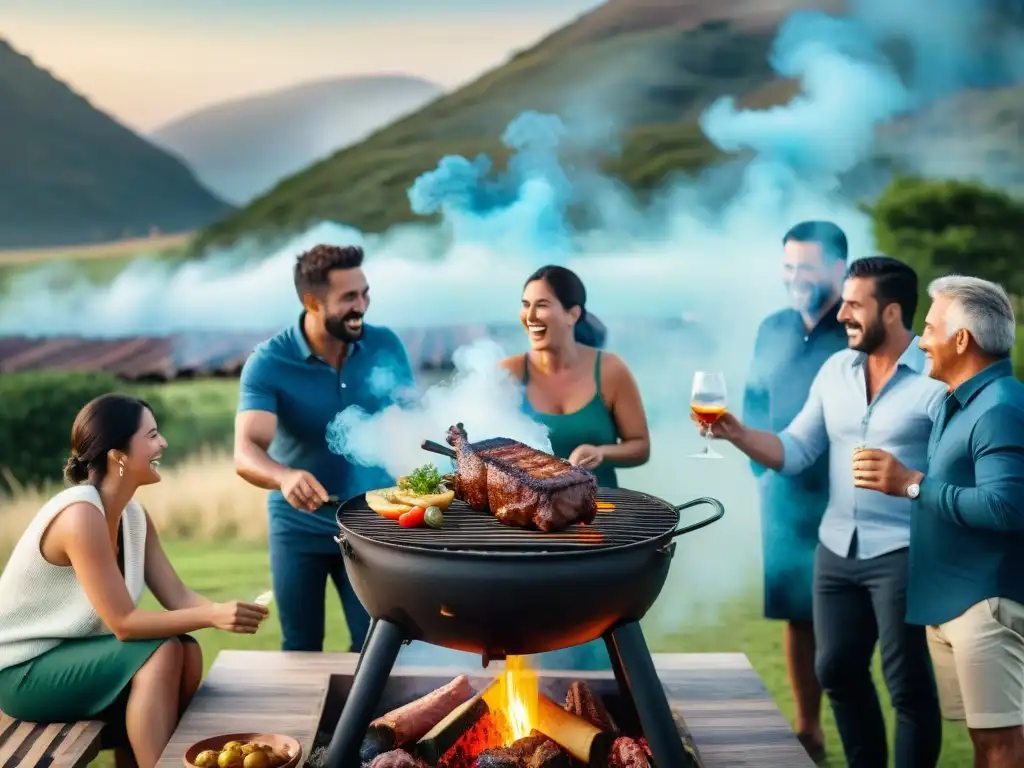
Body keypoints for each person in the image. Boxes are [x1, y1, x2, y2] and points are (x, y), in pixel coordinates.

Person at [694, 256, 945, 768]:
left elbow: (954, 472)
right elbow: (797, 449)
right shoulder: (837, 370)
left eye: (855, 304)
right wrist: (737, 433)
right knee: (835, 670)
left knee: (907, 683)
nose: (842, 314)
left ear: (892, 311)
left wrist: (912, 482)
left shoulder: (935, 379)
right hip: (836, 548)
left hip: (903, 550)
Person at [0, 394, 268, 768]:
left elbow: (177, 595)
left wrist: (231, 611)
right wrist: (212, 616)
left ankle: (141, 759)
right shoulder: (80, 515)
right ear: (118, 456)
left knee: (185, 650)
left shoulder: (133, 516)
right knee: (162, 650)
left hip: (70, 660)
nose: (164, 444)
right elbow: (124, 624)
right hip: (23, 673)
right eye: (152, 435)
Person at [854, 275, 1024, 768]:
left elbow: (1007, 507)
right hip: (955, 604)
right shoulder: (959, 403)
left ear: (961, 339)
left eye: (929, 329)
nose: (921, 340)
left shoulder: (1000, 408)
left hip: (985, 607)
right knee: (987, 742)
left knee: (1002, 744)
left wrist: (912, 483)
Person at [234, 244, 416, 654]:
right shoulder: (269, 362)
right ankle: (307, 723)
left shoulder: (385, 345)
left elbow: (411, 421)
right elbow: (245, 451)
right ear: (311, 302)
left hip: (373, 519)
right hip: (298, 524)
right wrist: (284, 476)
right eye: (349, 298)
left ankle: (367, 722)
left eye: (365, 293)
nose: (362, 306)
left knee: (377, 643)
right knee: (300, 644)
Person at [503, 264, 650, 669]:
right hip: (531, 536)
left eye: (543, 305)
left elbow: (640, 447)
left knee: (596, 636)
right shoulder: (508, 374)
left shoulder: (611, 370)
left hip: (597, 529)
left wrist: (603, 453)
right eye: (525, 305)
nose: (530, 316)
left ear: (573, 313)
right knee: (537, 639)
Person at [742, 221, 849, 763]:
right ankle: (808, 730)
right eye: (788, 266)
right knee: (795, 615)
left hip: (845, 490)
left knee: (845, 618)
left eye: (805, 266)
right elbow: (754, 397)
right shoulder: (773, 325)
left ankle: (852, 723)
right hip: (782, 491)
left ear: (836, 267)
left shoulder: (855, 328)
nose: (794, 277)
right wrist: (758, 476)